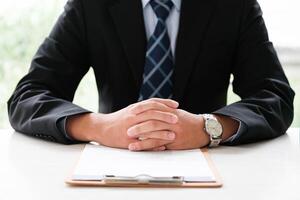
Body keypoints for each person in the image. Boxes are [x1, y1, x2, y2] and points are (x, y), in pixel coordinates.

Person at [7, 0, 294, 151]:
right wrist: (99, 127)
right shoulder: (89, 5)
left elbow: (275, 96)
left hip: (211, 166)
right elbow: (27, 97)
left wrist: (208, 128)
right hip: (113, 165)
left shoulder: (235, 5)